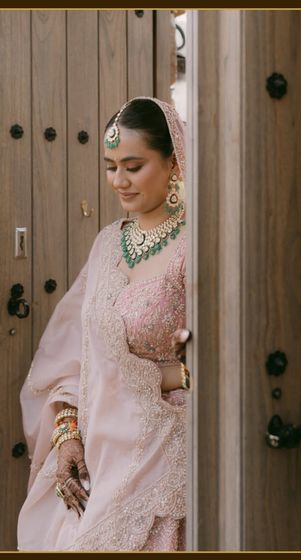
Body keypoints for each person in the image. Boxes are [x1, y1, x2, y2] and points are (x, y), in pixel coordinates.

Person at [17, 96, 191, 551]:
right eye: (111, 166)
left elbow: (228, 357)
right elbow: (74, 354)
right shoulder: (107, 243)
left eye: (133, 166)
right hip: (97, 448)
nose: (118, 181)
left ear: (173, 162)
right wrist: (67, 433)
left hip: (168, 445)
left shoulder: (198, 246)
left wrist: (155, 378)